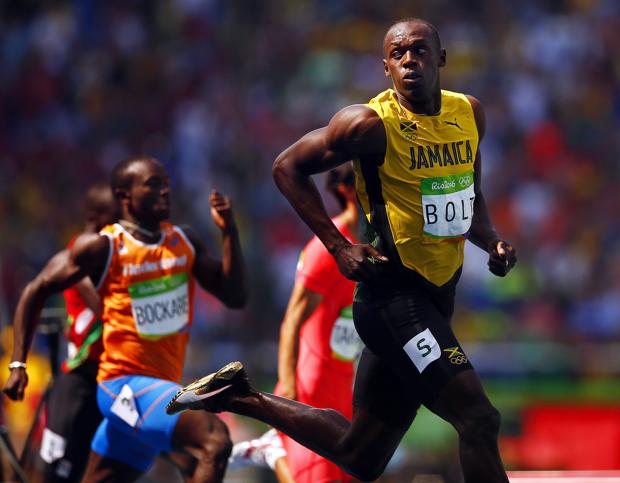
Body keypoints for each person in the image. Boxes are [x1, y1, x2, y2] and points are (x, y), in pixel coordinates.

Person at [167, 18, 517, 483]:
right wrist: (337, 246)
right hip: (393, 298)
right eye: (398, 54)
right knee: (479, 418)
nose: (409, 59)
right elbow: (286, 167)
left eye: (419, 50)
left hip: (436, 298)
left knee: (361, 456)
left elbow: (469, 200)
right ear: (386, 67)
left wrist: (490, 240)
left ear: (442, 58)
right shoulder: (369, 124)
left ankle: (237, 397)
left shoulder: (469, 114)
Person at [4, 155, 247, 483]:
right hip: (122, 386)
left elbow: (235, 296)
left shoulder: (184, 241)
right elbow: (36, 290)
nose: (165, 191)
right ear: (124, 197)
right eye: (153, 184)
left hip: (160, 387)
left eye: (166, 184)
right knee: (214, 440)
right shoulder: (102, 247)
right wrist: (18, 365)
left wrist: (229, 232)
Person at [228, 165, 359, 483]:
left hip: (346, 386)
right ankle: (277, 448)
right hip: (311, 386)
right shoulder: (327, 249)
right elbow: (291, 321)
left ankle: (276, 449)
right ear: (346, 189)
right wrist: (288, 391)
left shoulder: (378, 248)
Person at [28, 182, 119, 482]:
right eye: (116, 217)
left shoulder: (112, 254)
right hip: (80, 375)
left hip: (107, 375)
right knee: (56, 471)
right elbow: (106, 309)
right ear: (95, 217)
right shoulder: (80, 254)